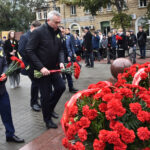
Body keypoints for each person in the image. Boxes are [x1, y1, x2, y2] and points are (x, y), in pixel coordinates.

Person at [25, 10, 66, 129]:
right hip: (42, 71)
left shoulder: (58, 32)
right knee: (45, 95)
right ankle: (47, 119)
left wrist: (62, 63)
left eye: (59, 22)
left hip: (54, 69)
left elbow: (60, 50)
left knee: (61, 87)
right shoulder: (38, 32)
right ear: (48, 20)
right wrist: (41, 67)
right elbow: (29, 50)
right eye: (56, 22)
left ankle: (49, 108)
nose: (58, 25)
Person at [0, 45, 24, 143]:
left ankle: (10, 135)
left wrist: (5, 73)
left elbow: (5, 63)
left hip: (2, 91)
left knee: (7, 113)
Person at [18, 20, 41, 112]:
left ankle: (36, 101)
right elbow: (21, 50)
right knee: (35, 83)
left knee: (38, 83)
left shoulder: (37, 36)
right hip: (29, 64)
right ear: (32, 27)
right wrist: (32, 59)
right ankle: (33, 103)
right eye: (36, 29)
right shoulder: (24, 36)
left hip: (37, 64)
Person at [59, 26, 78, 93]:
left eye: (63, 31)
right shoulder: (57, 38)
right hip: (60, 59)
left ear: (64, 31)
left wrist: (73, 54)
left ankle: (71, 87)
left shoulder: (68, 38)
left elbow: (71, 47)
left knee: (69, 73)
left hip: (68, 57)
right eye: (60, 32)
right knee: (60, 74)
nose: (62, 33)